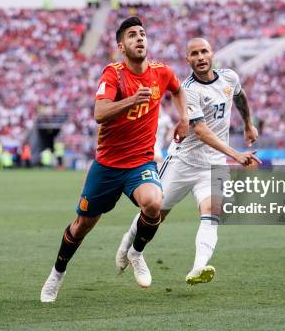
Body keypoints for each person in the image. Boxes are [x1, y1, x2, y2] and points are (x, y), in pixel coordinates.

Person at [40, 17, 189, 303]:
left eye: (143, 34)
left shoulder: (161, 72)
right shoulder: (113, 74)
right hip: (107, 166)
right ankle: (57, 274)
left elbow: (179, 89)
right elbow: (99, 112)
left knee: (154, 203)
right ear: (122, 46)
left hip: (140, 163)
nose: (140, 38)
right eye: (132, 35)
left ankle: (136, 252)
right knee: (82, 225)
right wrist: (131, 101)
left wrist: (185, 119)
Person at [116, 38, 259, 285]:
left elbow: (239, 96)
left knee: (213, 210)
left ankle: (199, 267)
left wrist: (248, 124)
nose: (201, 57)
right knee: (155, 214)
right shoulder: (188, 90)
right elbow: (201, 131)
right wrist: (235, 154)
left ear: (212, 53)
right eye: (194, 53)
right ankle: (129, 246)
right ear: (188, 59)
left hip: (213, 164)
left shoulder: (229, 77)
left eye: (204, 51)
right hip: (183, 161)